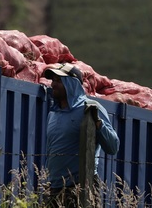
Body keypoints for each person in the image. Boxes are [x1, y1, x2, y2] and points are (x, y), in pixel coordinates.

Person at [43, 63, 119, 207]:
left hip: (81, 188)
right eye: (53, 80)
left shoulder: (90, 108)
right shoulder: (53, 113)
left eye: (59, 80)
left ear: (72, 83)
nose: (53, 84)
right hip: (54, 189)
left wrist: (98, 123)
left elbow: (113, 147)